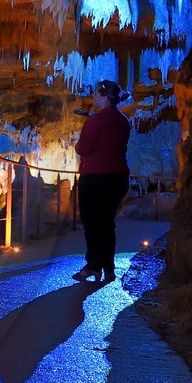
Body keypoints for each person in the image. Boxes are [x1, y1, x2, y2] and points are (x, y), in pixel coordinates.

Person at [73, 78, 131, 283]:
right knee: (106, 223)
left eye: (96, 94)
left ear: (105, 97)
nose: (93, 97)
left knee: (92, 224)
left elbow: (83, 148)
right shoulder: (123, 120)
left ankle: (93, 267)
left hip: (95, 178)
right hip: (118, 178)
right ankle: (108, 268)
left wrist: (77, 147)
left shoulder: (95, 121)